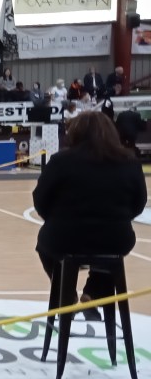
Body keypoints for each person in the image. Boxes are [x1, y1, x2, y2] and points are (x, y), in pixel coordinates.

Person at [32, 111, 146, 320]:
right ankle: (93, 293)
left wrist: (56, 218)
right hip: (116, 238)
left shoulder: (60, 161)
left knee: (45, 246)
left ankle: (66, 295)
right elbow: (138, 204)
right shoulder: (130, 162)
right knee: (110, 253)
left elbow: (40, 200)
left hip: (64, 238)